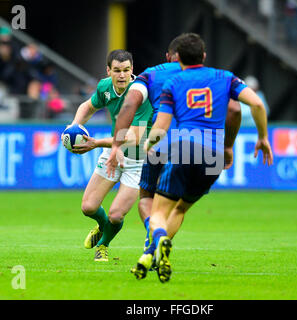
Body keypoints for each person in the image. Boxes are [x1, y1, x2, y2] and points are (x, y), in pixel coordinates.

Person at [131, 33, 273, 282]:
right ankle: (156, 252)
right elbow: (252, 106)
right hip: (214, 154)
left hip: (184, 148)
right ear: (204, 56)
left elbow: (162, 125)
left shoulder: (172, 83)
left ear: (178, 59)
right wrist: (261, 138)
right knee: (182, 207)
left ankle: (157, 242)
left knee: (158, 210)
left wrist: (149, 144)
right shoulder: (224, 77)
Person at [105, 35, 242, 257]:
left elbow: (130, 103)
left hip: (162, 145)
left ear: (168, 56)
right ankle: (158, 245)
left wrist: (116, 145)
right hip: (205, 149)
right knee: (177, 206)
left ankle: (154, 235)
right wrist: (228, 146)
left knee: (148, 199)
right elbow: (234, 110)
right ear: (198, 56)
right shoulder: (212, 77)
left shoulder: (150, 74)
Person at [65, 49, 153, 262]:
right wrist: (75, 125)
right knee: (88, 207)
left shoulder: (141, 94)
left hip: (138, 160)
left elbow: (133, 136)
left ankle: (103, 244)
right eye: (117, 70)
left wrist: (96, 143)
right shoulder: (104, 87)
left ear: (132, 70)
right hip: (113, 152)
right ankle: (102, 227)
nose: (122, 75)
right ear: (108, 71)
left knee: (115, 214)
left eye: (126, 70)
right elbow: (88, 106)